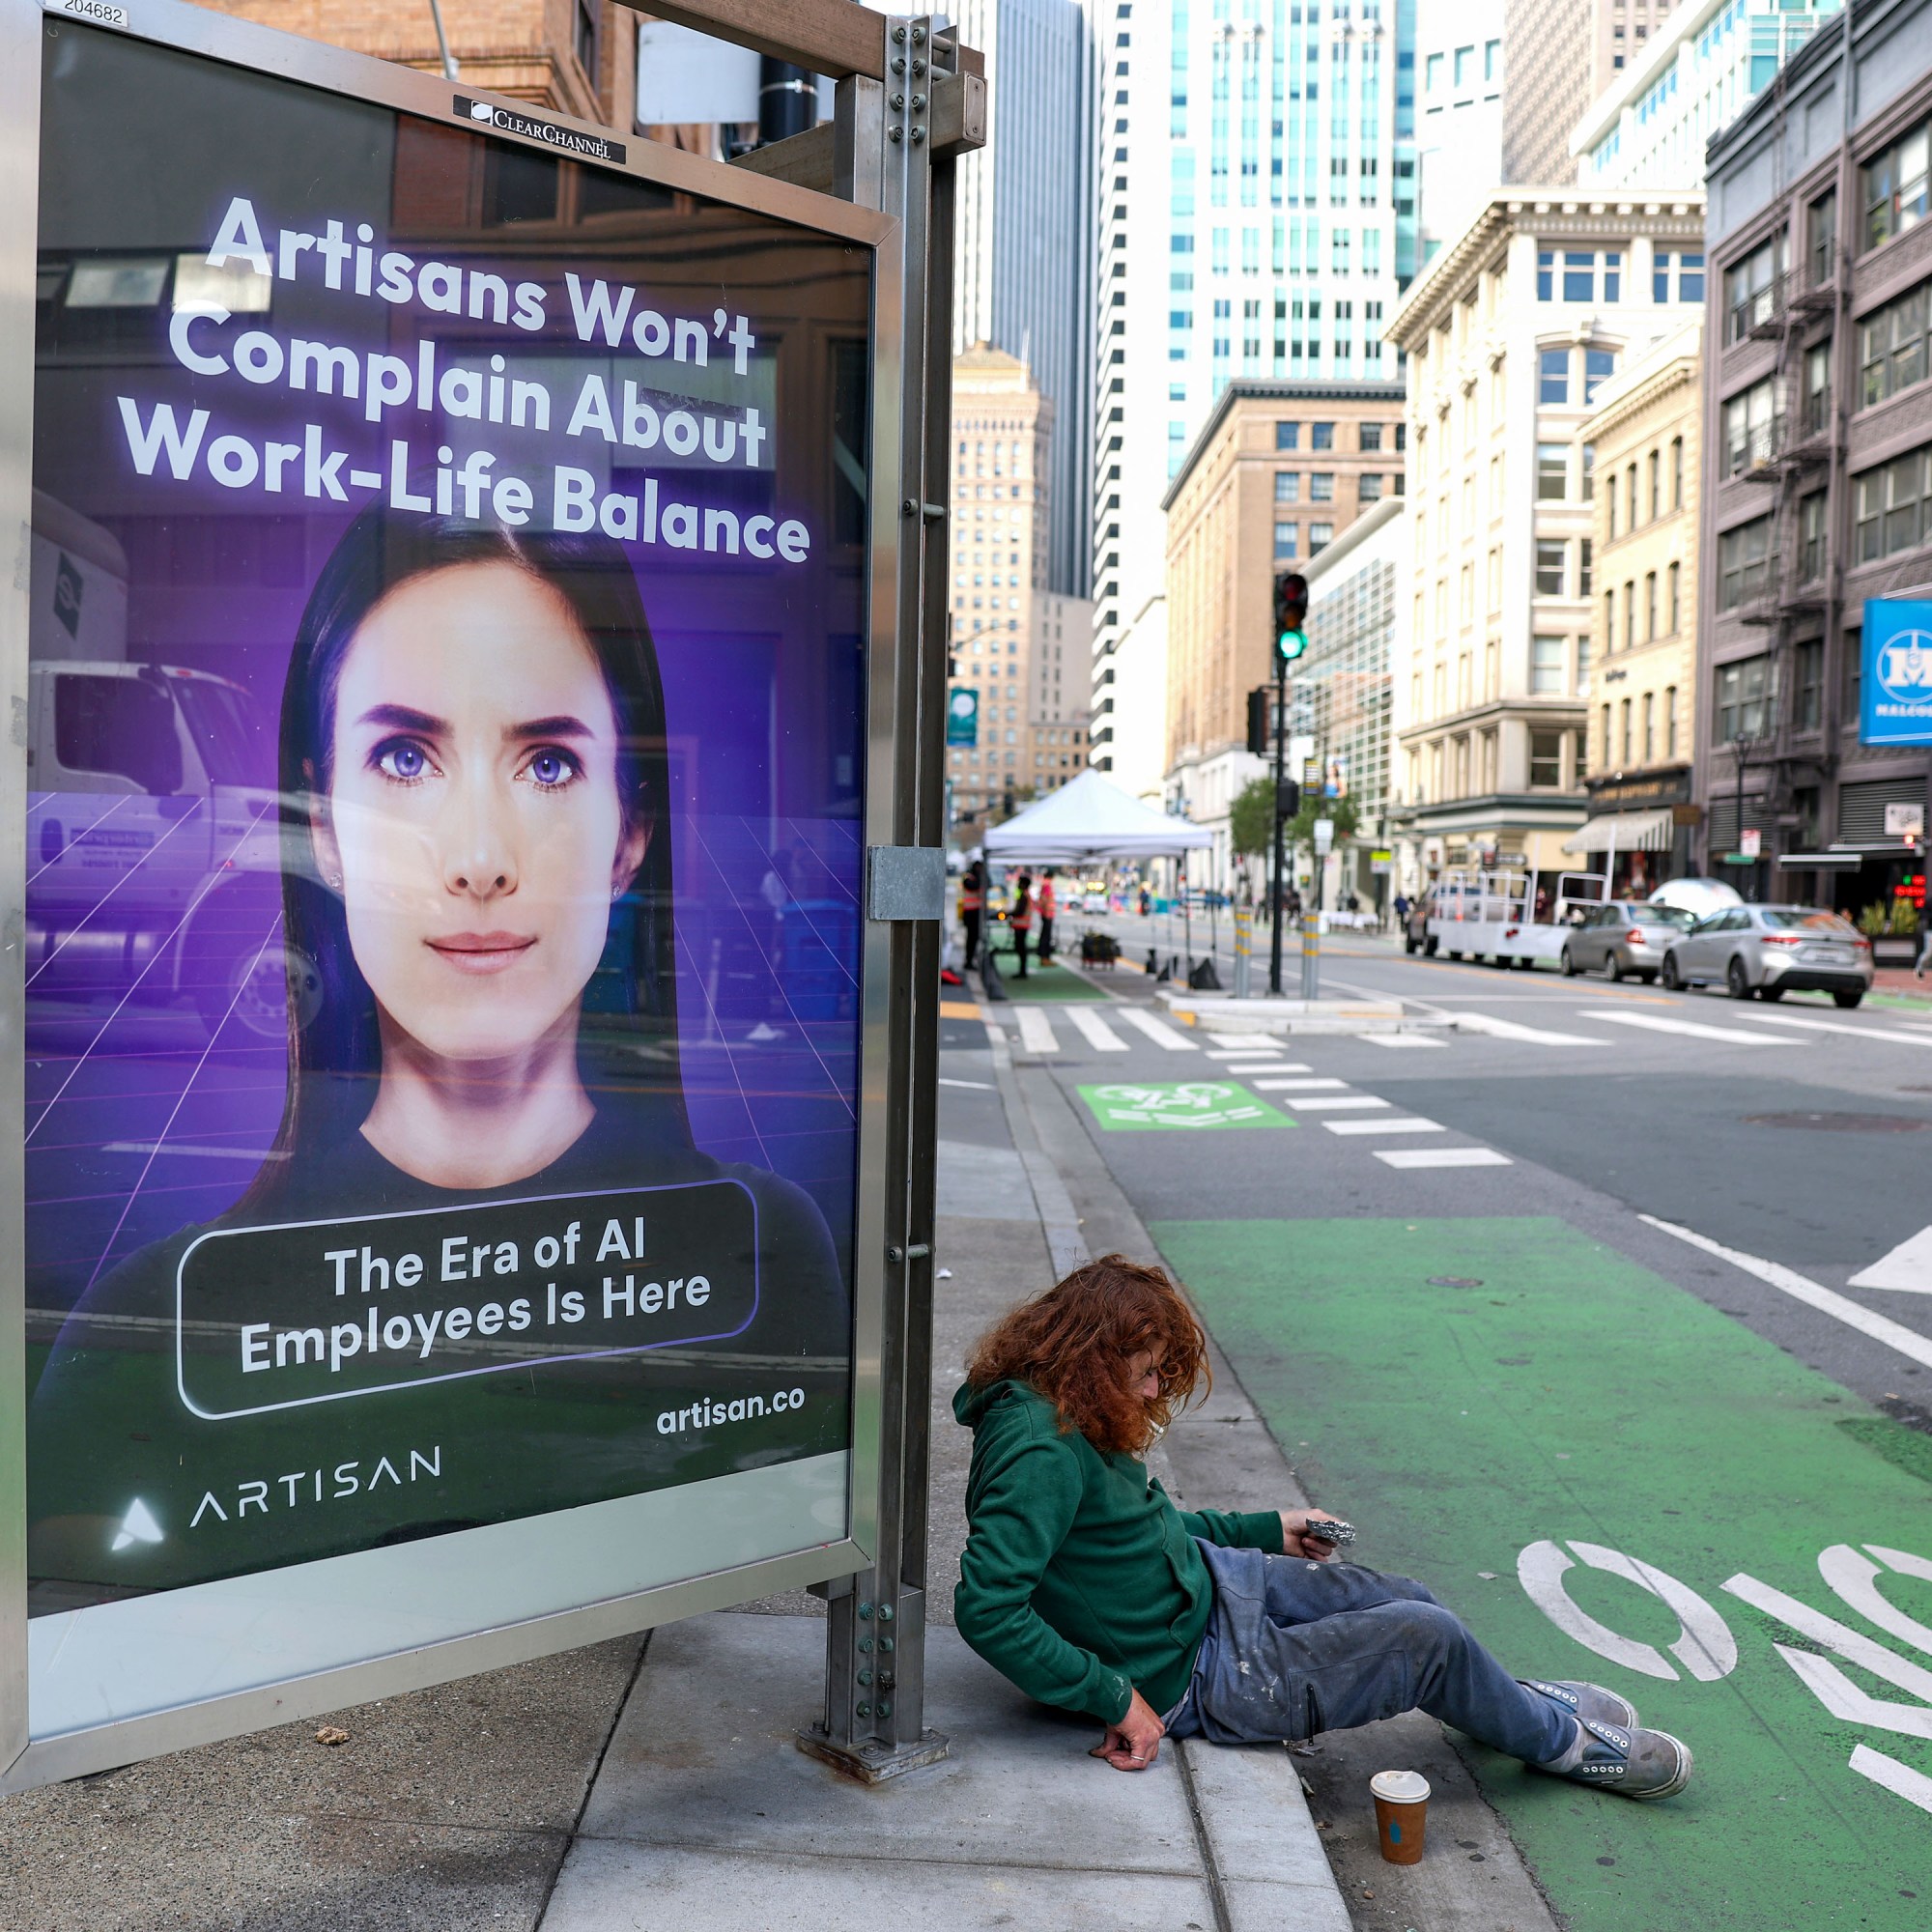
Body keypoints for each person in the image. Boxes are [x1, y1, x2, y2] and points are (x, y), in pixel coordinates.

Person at [28, 506, 847, 1597]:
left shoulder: (764, 1252)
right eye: (404, 755)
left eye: (548, 763)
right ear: (320, 822)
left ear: (628, 832)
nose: (474, 858)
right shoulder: (155, 1322)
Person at [953, 1258, 1693, 1799]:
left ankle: (1510, 1703)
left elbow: (1131, 1530)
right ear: (1088, 1356)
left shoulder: (1060, 1404)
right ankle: (1560, 1744)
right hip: (1193, 1675)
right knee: (1424, 1640)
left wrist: (1264, 1528)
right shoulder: (1038, 1449)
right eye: (1144, 1372)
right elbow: (988, 1610)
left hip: (1205, 1589)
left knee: (1411, 1597)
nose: (1152, 1391)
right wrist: (1116, 1696)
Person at [959, 861, 984, 971]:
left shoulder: (980, 878)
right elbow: (973, 886)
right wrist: (980, 876)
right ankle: (968, 960)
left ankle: (971, 958)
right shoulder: (968, 878)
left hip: (977, 912)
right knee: (971, 938)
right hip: (970, 913)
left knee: (975, 937)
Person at [1009, 872, 1035, 979]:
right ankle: (1022, 971)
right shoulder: (1025, 895)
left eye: (1020, 882)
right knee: (1020, 948)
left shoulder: (1024, 896)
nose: (1018, 884)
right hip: (1021, 926)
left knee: (1021, 948)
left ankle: (1022, 972)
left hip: (1021, 926)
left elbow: (1019, 911)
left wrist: (1008, 914)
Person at [1037, 868, 1058, 963]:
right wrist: (1046, 913)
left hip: (1046, 914)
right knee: (1046, 936)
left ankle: (1044, 956)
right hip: (1047, 915)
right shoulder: (1047, 886)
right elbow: (1044, 900)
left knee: (1045, 935)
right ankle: (1045, 957)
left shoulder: (1045, 885)